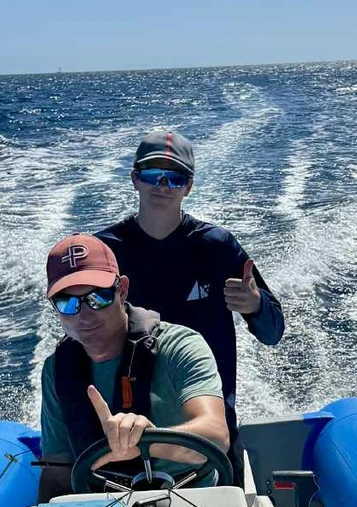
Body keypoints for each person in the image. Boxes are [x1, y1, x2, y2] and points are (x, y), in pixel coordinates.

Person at [96, 130, 285, 479]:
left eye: (175, 178)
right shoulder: (105, 252)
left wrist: (255, 305)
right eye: (153, 174)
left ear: (189, 187)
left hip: (210, 434)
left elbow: (273, 332)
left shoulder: (218, 247)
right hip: (124, 434)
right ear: (135, 179)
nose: (163, 185)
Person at [38, 234, 230, 503]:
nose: (84, 315)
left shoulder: (181, 347)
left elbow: (217, 436)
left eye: (98, 297)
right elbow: (57, 472)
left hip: (193, 501)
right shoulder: (56, 371)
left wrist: (145, 441)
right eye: (67, 303)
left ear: (122, 290)